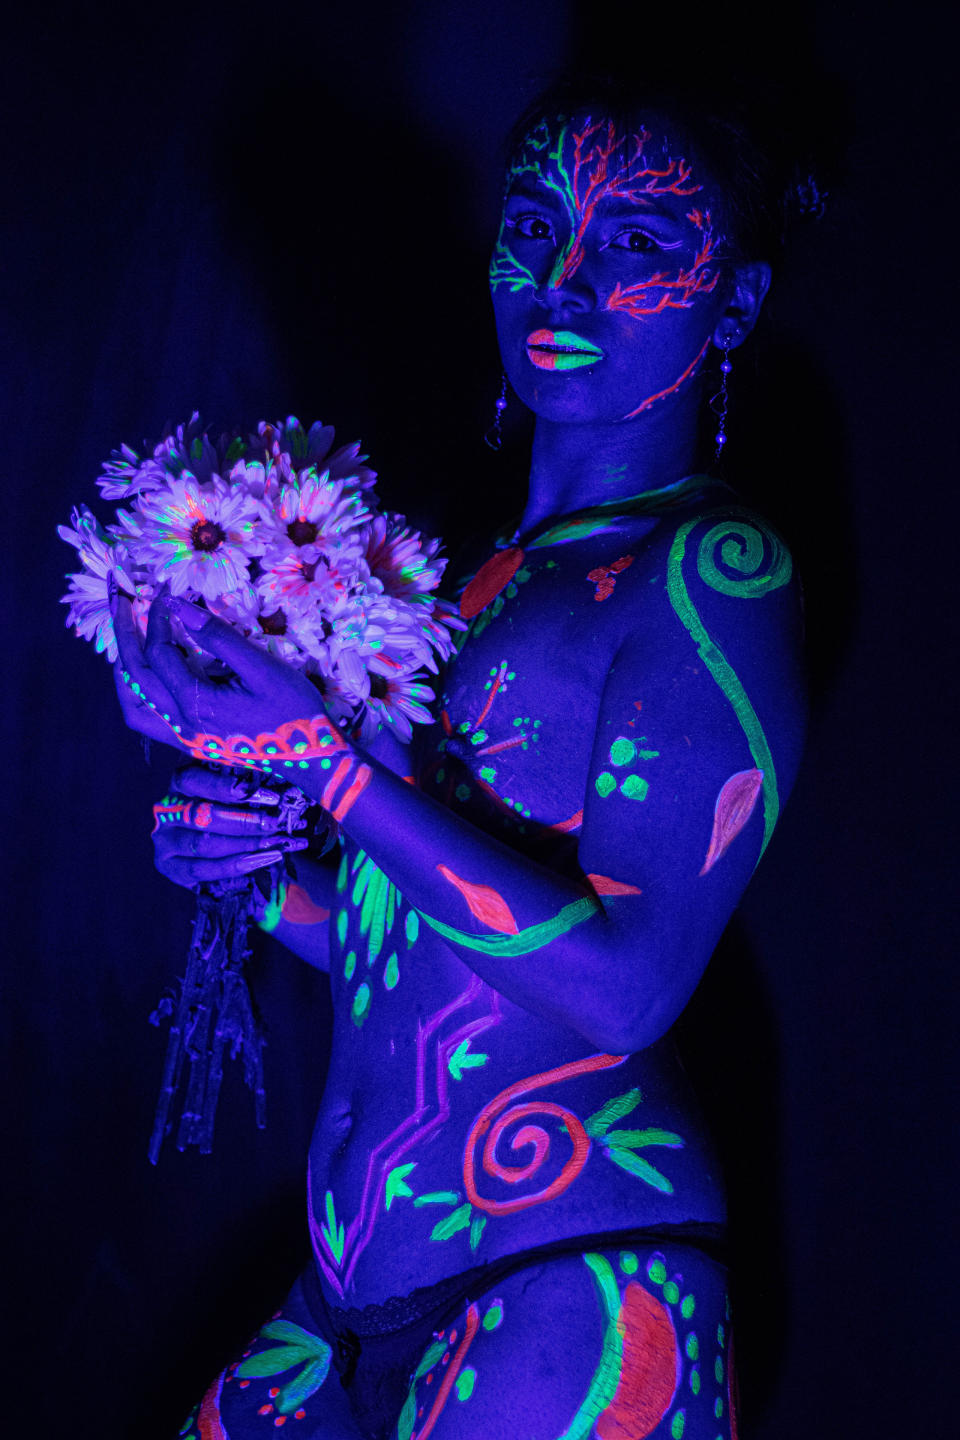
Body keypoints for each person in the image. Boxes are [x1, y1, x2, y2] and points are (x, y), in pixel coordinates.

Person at [113, 74, 809, 1440]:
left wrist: (326, 769)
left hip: (572, 1285)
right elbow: (417, 952)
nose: (564, 276)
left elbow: (623, 988)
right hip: (349, 1292)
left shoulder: (709, 574)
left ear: (735, 302)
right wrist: (258, 879)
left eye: (637, 242)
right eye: (534, 223)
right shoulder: (460, 579)